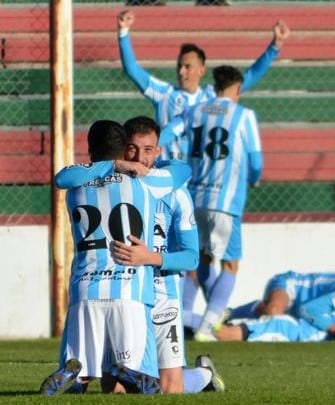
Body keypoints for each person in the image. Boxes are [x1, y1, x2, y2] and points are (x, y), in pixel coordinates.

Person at [49, 117, 224, 394]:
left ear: (158, 151)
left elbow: (191, 257)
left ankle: (204, 375)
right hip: (126, 287)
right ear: (123, 150)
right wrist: (115, 166)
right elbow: (65, 178)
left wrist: (150, 258)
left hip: (162, 292)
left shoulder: (170, 189)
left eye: (148, 150)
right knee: (115, 388)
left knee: (170, 388)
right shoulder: (114, 181)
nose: (140, 157)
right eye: (133, 148)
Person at [183, 65, 263, 341]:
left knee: (202, 260)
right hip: (225, 203)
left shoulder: (195, 111)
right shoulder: (244, 115)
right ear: (238, 88)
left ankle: (190, 318)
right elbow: (256, 161)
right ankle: (207, 326)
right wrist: (255, 179)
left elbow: (170, 132)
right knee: (230, 265)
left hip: (194, 199)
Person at [117, 9, 290, 131]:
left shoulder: (213, 96)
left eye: (187, 67)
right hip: (169, 170)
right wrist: (123, 32)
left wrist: (275, 46)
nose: (181, 72)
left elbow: (249, 77)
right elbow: (132, 70)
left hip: (200, 170)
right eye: (179, 66)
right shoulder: (164, 94)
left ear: (201, 70)